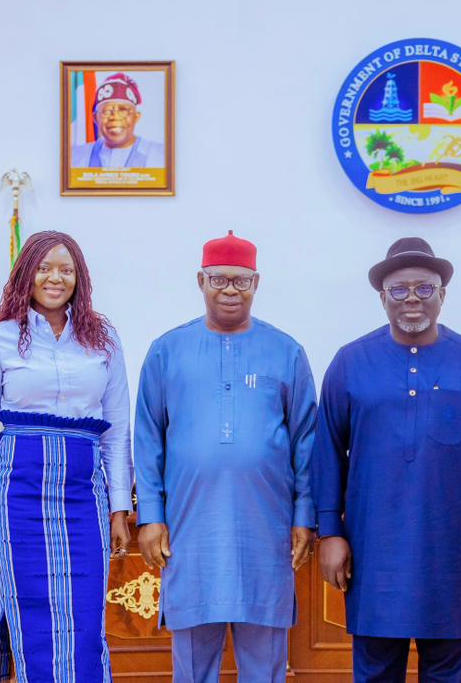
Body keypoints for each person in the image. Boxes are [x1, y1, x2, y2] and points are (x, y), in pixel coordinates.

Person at [313, 237, 461, 683]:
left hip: (452, 554)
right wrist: (330, 531)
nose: (412, 299)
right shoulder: (350, 363)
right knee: (374, 674)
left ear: (442, 295)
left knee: (449, 673)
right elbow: (326, 452)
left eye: (424, 289)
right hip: (373, 557)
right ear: (382, 297)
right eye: (399, 290)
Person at [134, 231, 316, 683]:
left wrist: (304, 515)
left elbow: (306, 442)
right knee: (192, 664)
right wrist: (150, 516)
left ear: (257, 283)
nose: (230, 290)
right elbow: (147, 438)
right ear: (201, 280)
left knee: (265, 662)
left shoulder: (286, 352)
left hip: (267, 533)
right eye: (219, 280)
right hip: (190, 532)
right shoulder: (166, 351)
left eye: (241, 281)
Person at [0, 230, 132, 681]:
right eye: (45, 268)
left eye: (67, 269)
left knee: (86, 615)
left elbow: (117, 435)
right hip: (17, 496)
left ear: (80, 278)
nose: (56, 278)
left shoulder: (103, 339)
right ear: (26, 274)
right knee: (27, 612)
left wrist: (119, 510)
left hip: (83, 496)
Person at [71, 72, 165, 168]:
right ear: (95, 118)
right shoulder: (74, 156)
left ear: (136, 117)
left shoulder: (162, 156)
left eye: (123, 110)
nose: (115, 116)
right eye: (107, 111)